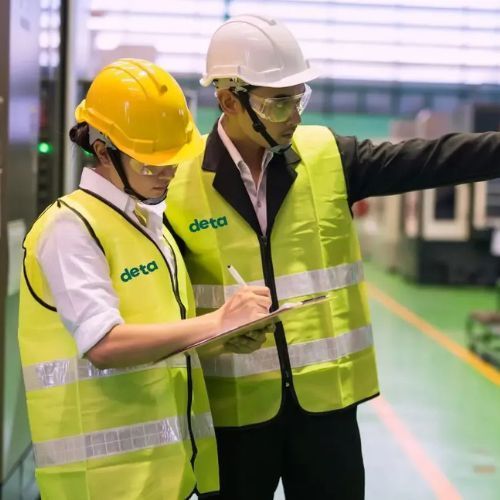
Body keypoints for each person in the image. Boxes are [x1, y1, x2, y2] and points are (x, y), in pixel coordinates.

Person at [165, 15, 500, 500]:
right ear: (227, 100)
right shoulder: (178, 186)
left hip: (326, 412)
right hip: (232, 416)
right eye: (276, 103)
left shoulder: (327, 156)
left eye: (298, 98)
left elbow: (430, 158)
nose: (293, 115)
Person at [18, 58, 271, 500]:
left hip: (166, 476)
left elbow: (160, 337)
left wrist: (224, 338)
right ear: (102, 151)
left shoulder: (147, 226)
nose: (167, 176)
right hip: (102, 484)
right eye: (152, 166)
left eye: (172, 163)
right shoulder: (70, 228)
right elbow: (104, 345)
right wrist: (218, 321)